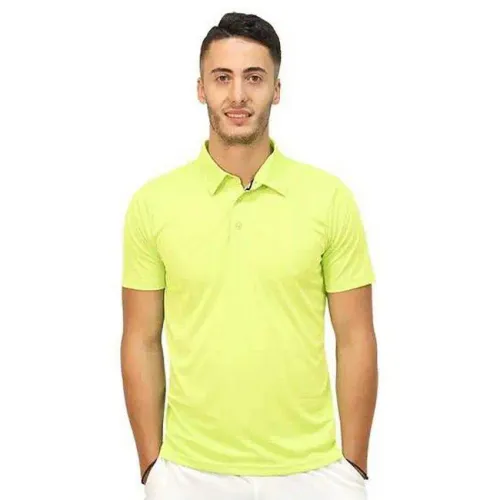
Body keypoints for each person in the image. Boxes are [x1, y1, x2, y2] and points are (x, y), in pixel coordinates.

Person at [121, 11, 378, 500]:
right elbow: (140, 339)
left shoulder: (329, 199)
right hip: (188, 472)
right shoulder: (152, 204)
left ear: (276, 90)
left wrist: (353, 468)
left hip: (315, 472)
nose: (238, 94)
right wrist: (153, 468)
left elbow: (355, 336)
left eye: (254, 78)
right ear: (201, 88)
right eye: (223, 77)